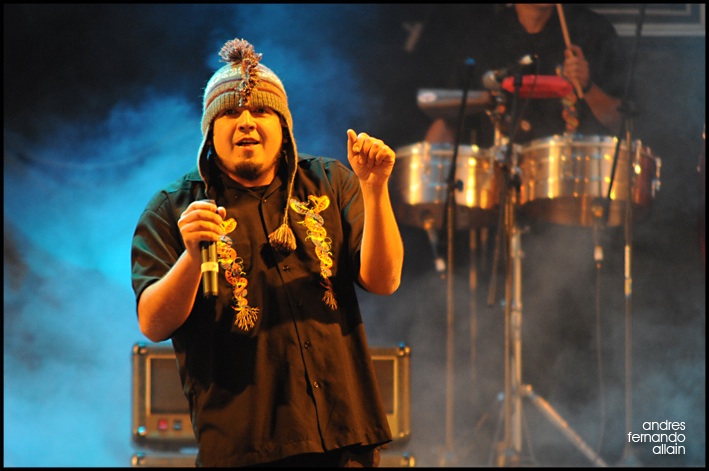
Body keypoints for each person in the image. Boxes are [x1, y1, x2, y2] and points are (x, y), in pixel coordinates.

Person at [131, 37, 404, 467]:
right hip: (245, 448)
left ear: (283, 125)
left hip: (345, 439)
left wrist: (375, 190)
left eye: (260, 111)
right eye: (231, 113)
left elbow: (383, 281)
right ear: (209, 130)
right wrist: (192, 257)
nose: (246, 122)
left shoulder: (330, 181)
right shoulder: (174, 207)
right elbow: (153, 322)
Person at [424, 4, 628, 147]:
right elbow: (448, 121)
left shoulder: (593, 32)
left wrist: (588, 87)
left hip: (571, 182)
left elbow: (623, 122)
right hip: (499, 182)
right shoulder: (483, 37)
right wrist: (424, 172)